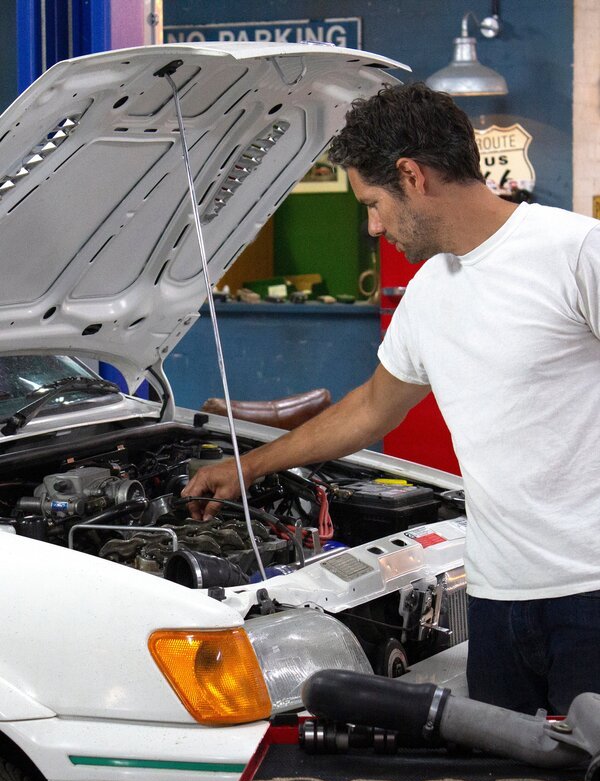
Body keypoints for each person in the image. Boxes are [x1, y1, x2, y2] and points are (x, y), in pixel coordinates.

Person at [182, 82, 600, 716]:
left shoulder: (575, 254)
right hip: (497, 598)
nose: (373, 224)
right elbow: (372, 407)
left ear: (412, 176)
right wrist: (247, 467)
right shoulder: (431, 288)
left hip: (591, 593)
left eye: (373, 203)